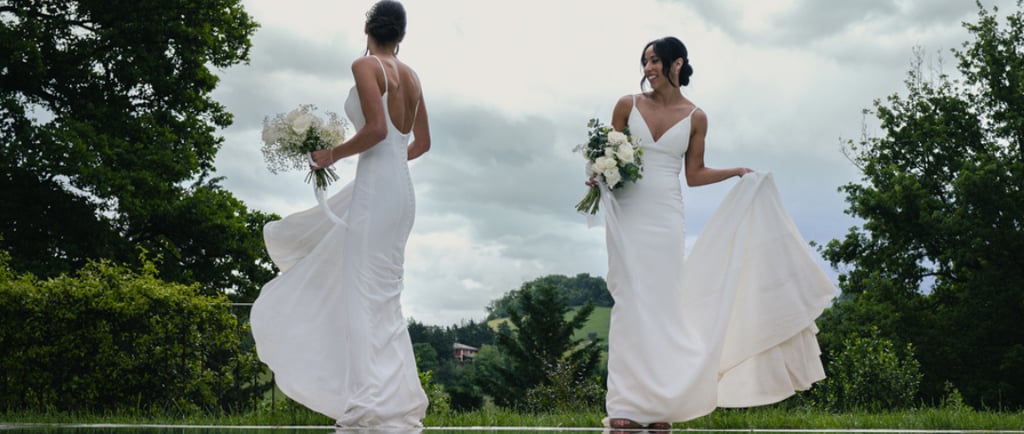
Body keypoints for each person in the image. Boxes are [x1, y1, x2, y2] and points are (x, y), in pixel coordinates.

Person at [597, 37, 835, 429]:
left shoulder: (696, 117)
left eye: (655, 61)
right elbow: (605, 155)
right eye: (645, 62)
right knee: (630, 303)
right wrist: (596, 173)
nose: (648, 69)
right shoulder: (627, 105)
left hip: (665, 216)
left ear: (677, 64)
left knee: (662, 307)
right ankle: (625, 407)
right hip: (628, 213)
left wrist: (736, 172)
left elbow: (694, 175)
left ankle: (660, 407)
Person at [250, 0, 431, 428]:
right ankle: (393, 400)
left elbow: (376, 129)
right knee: (385, 297)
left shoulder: (365, 65)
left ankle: (370, 401)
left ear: (367, 30)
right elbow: (421, 143)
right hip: (401, 192)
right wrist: (390, 164)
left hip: (376, 190)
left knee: (363, 296)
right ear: (402, 36)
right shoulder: (413, 77)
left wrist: (330, 155)